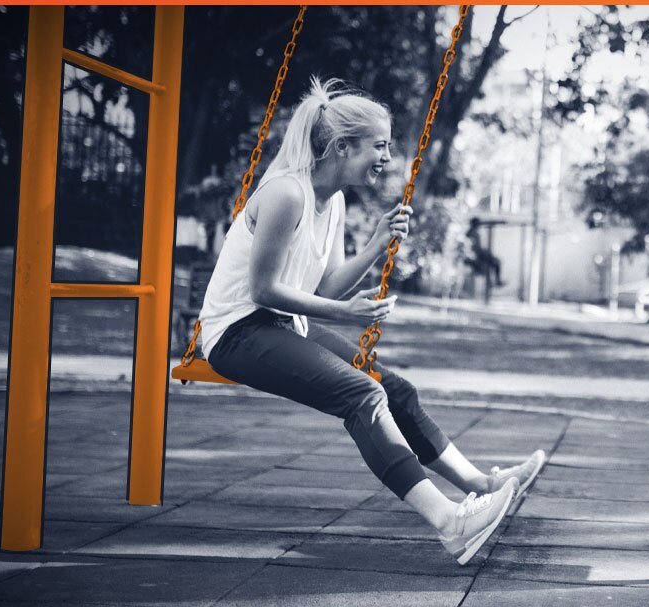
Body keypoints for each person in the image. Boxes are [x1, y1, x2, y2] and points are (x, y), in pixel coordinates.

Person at [198, 77, 546, 566]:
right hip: (238, 332)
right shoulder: (285, 194)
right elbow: (263, 291)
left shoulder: (333, 200)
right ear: (343, 146)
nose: (387, 156)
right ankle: (449, 522)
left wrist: (375, 244)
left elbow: (324, 288)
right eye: (379, 145)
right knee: (363, 394)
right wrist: (345, 315)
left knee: (394, 388)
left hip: (280, 327)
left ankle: (481, 484)